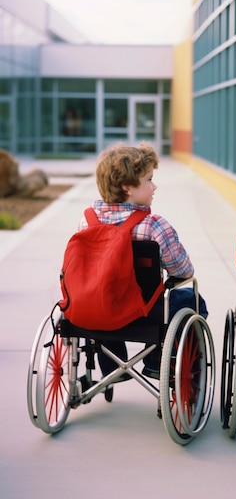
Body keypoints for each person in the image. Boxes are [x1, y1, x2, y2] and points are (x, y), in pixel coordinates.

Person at [79, 142, 207, 380]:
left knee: (105, 294)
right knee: (193, 299)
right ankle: (157, 359)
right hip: (142, 313)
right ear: (128, 187)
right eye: (149, 179)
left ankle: (112, 366)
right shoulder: (154, 226)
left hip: (93, 311)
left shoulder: (86, 222)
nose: (154, 185)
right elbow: (183, 271)